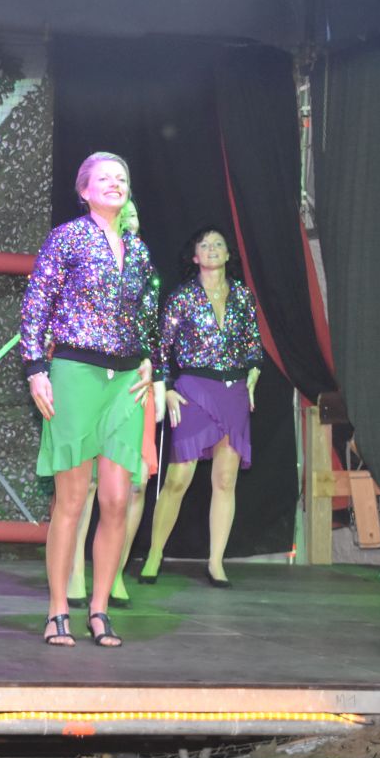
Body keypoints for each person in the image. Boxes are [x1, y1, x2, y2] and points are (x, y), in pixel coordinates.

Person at [20, 153, 163, 648]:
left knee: (118, 499)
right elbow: (36, 303)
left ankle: (99, 610)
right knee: (73, 499)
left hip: (126, 381)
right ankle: (58, 609)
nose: (114, 183)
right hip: (75, 373)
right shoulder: (68, 238)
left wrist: (150, 362)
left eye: (121, 177)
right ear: (84, 190)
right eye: (104, 178)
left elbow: (148, 313)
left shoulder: (138, 250)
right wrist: (35, 369)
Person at [140, 226, 263, 588]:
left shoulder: (242, 296)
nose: (212, 249)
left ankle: (216, 562)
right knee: (178, 478)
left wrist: (254, 371)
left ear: (228, 254)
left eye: (218, 244)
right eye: (204, 245)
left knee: (225, 479)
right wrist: (167, 388)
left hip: (233, 390)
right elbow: (159, 348)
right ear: (195, 257)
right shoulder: (182, 298)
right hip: (193, 388)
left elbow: (253, 345)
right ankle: (154, 554)